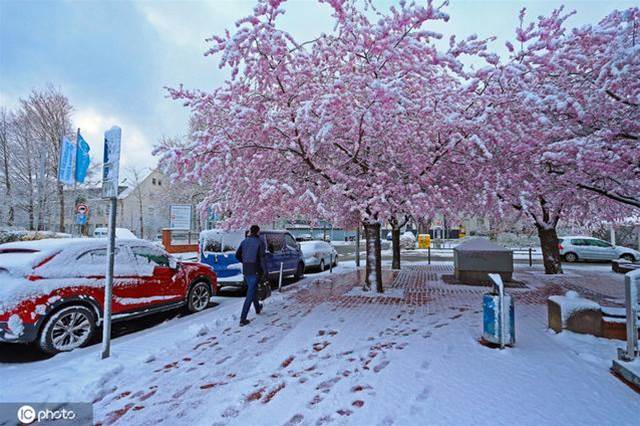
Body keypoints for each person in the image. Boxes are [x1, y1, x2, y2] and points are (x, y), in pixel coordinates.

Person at [235, 224, 267, 326]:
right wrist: (265, 272)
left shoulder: (244, 242)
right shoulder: (260, 242)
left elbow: (237, 255)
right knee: (250, 293)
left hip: (246, 270)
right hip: (255, 270)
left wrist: (244, 261)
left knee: (252, 290)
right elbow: (262, 259)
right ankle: (243, 318)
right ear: (258, 232)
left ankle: (257, 308)